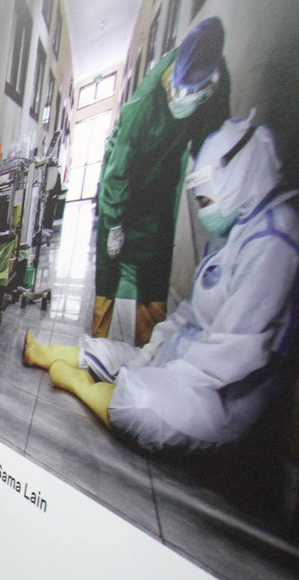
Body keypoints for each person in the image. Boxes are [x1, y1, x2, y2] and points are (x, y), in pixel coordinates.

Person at [25, 116, 299, 452]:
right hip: (186, 357)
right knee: (123, 354)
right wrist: (153, 354)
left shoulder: (273, 243)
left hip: (219, 394)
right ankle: (43, 353)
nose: (204, 213)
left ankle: (80, 384)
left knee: (141, 404)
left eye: (206, 202)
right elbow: (189, 315)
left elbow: (229, 357)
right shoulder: (230, 236)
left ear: (237, 181)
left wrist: (157, 374)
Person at [93, 17, 231, 346]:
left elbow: (213, 140)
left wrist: (214, 188)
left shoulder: (215, 82)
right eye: (177, 89)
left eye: (190, 92)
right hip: (123, 183)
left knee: (155, 269)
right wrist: (114, 222)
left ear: (209, 84)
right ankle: (97, 340)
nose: (179, 97)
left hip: (163, 186)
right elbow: (118, 167)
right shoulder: (144, 103)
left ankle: (147, 347)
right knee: (110, 267)